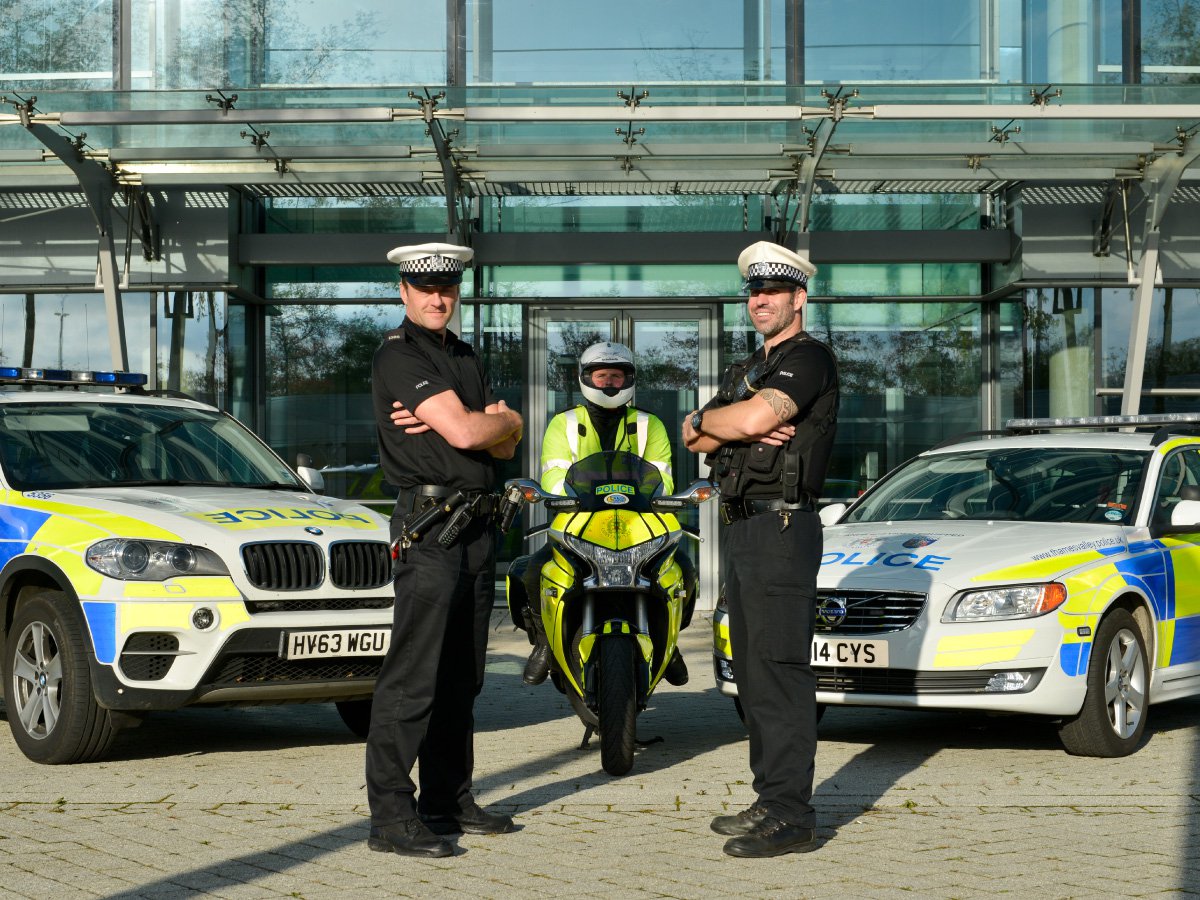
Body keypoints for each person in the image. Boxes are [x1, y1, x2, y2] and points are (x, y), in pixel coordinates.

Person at [365, 242, 524, 858]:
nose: (437, 298)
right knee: (413, 677)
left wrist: (499, 425)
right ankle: (390, 816)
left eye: (447, 288)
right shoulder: (398, 356)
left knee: (463, 677)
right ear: (404, 291)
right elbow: (467, 431)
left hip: (479, 529)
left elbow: (503, 445)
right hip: (430, 527)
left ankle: (446, 798)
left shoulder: (464, 354)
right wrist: (487, 422)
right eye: (425, 287)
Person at [683, 240, 838, 858]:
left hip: (782, 527)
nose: (760, 300)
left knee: (779, 671)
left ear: (800, 298)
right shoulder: (747, 370)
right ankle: (769, 797)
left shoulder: (810, 359)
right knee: (751, 673)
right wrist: (723, 417)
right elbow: (692, 434)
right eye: (753, 292)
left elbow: (738, 426)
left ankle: (792, 817)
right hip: (744, 528)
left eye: (773, 291)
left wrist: (729, 420)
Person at [518, 340, 693, 687]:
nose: (609, 382)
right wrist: (566, 494)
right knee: (533, 571)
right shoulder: (563, 424)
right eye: (601, 375)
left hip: (641, 522)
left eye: (616, 375)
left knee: (684, 572)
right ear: (586, 378)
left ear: (628, 379)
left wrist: (652, 494)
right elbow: (555, 475)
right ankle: (545, 644)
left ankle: (670, 643)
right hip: (578, 520)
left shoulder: (650, 424)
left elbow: (663, 479)